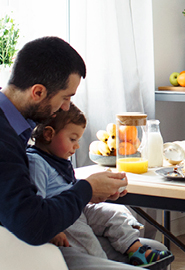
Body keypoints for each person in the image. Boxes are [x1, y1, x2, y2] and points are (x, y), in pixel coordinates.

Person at [0, 36, 163, 270]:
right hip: (20, 250)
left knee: (154, 251)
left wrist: (88, 194)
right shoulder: (4, 138)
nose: (66, 107)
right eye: (65, 98)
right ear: (37, 92)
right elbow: (31, 224)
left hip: (29, 240)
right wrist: (86, 189)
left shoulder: (15, 125)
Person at [27, 103, 174, 269]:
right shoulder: (36, 162)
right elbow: (36, 203)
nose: (77, 146)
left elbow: (70, 188)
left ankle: (137, 251)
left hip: (78, 208)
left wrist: (94, 196)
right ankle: (102, 263)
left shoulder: (60, 159)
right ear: (48, 134)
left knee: (113, 213)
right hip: (63, 218)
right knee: (85, 238)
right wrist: (52, 230)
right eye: (72, 139)